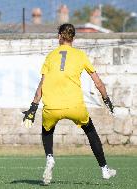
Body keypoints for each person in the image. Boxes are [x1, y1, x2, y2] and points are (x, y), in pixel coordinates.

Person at [22, 23, 116, 185]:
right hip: (75, 107)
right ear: (73, 38)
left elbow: (41, 86)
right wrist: (107, 99)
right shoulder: (80, 55)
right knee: (90, 131)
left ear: (59, 36)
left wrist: (33, 107)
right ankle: (104, 169)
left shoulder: (50, 56)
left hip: (52, 107)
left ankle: (50, 158)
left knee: (47, 130)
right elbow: (98, 83)